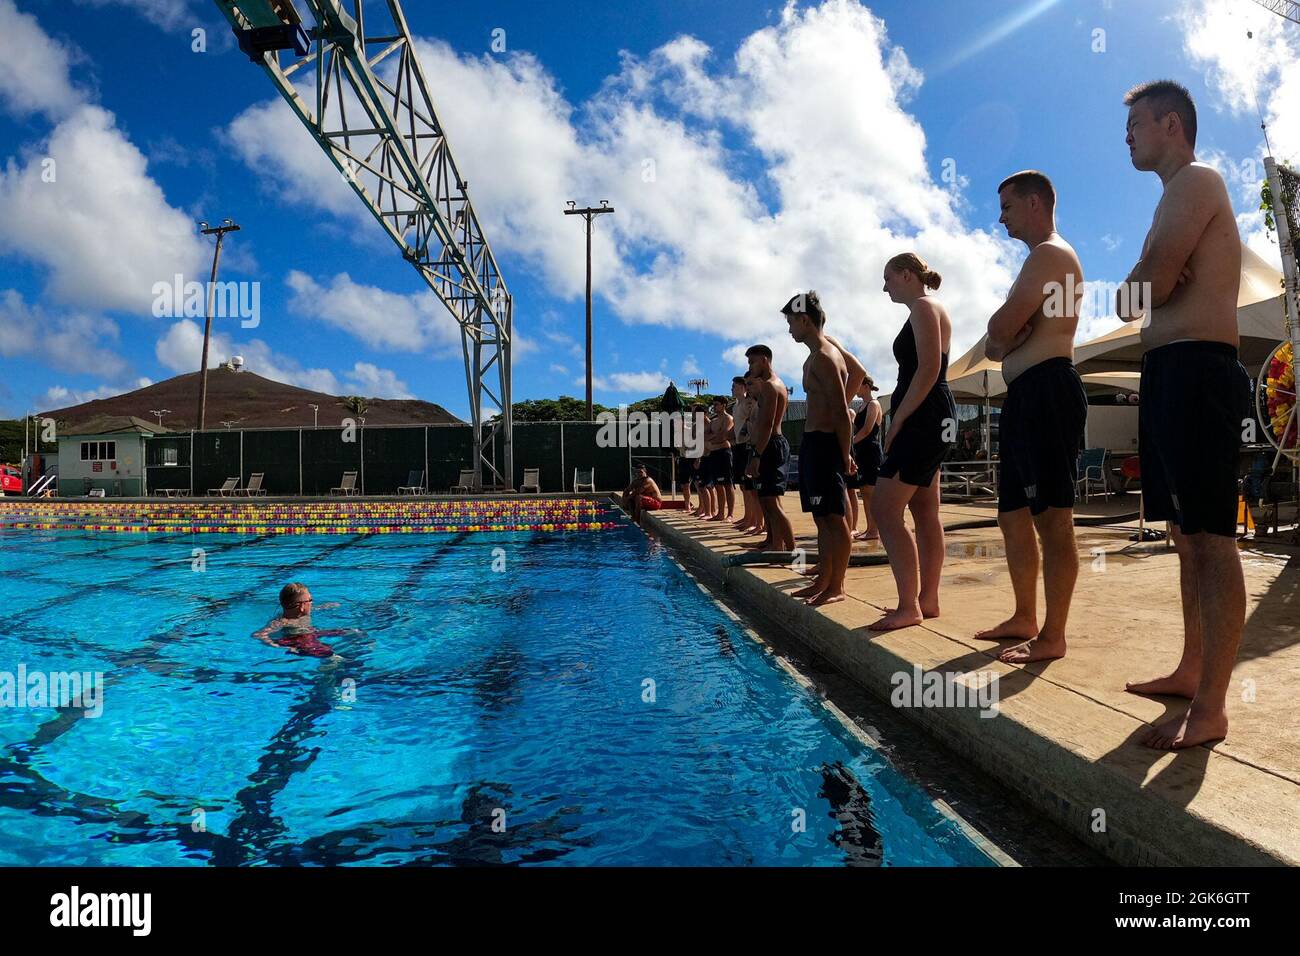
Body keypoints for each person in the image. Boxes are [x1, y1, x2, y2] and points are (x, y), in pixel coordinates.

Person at [1116, 80, 1250, 749]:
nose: (1127, 136)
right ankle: (1192, 670)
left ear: (1172, 123)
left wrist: (1154, 273)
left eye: (1136, 124)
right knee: (1183, 535)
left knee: (1212, 538)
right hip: (1166, 373)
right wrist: (1152, 271)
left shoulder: (1198, 181)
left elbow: (1153, 284)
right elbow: (1127, 301)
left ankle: (1214, 707)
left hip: (1199, 369)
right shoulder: (1168, 203)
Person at [974, 170, 1088, 665]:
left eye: (1007, 207)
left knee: (1052, 519)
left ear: (1035, 202)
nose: (1000, 218)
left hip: (1047, 390)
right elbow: (994, 342)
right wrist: (1005, 337)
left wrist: (1005, 335)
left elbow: (998, 330)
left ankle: (1053, 635)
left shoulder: (1050, 255)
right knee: (1012, 516)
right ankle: (1024, 615)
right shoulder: (1037, 261)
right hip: (1025, 396)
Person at [869, 253, 956, 631]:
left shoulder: (923, 306)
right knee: (924, 509)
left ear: (907, 275)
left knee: (885, 509)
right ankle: (927, 599)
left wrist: (897, 419)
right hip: (937, 415)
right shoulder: (927, 307)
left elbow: (929, 369)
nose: (884, 286)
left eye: (888, 278)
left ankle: (909, 606)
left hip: (924, 416)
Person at [784, 291, 856, 606]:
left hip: (826, 444)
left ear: (804, 320)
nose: (789, 330)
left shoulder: (826, 357)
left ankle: (837, 586)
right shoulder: (814, 356)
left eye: (791, 322)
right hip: (814, 444)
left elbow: (841, 410)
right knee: (821, 516)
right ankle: (823, 579)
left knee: (834, 518)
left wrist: (845, 453)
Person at [743, 344, 794, 552]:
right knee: (764, 499)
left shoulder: (772, 386)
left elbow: (768, 425)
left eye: (752, 362)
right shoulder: (767, 386)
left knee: (772, 501)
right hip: (766, 445)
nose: (750, 366)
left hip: (771, 446)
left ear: (764, 360)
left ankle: (791, 550)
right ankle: (773, 541)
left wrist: (756, 455)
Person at [254, 583, 343, 659]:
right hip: (300, 642)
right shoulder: (284, 621)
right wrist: (282, 647)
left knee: (348, 632)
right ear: (301, 607)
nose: (312, 603)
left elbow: (314, 608)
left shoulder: (300, 613)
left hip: (312, 633)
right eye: (310, 600)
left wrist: (325, 606)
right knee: (330, 656)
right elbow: (258, 635)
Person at [848, 375, 884, 541]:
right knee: (864, 491)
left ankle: (875, 530)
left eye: (857, 385)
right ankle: (870, 528)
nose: (855, 389)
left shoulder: (873, 404)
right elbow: (854, 429)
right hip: (861, 452)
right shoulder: (861, 406)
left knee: (871, 491)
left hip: (870, 451)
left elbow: (867, 430)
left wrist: (851, 443)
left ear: (866, 386)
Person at [730, 376, 764, 535]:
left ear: (743, 388)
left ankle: (758, 522)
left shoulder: (749, 403)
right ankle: (748, 518)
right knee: (744, 487)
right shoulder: (736, 406)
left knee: (752, 488)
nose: (732, 389)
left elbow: (752, 421)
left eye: (735, 386)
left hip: (748, 445)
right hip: (739, 446)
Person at [704, 395, 735, 521]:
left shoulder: (728, 418)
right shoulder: (714, 421)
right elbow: (704, 436)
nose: (714, 407)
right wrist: (715, 436)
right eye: (714, 404)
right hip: (714, 454)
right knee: (718, 485)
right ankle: (720, 513)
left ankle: (730, 514)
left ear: (724, 405)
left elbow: (724, 436)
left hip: (724, 453)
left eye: (717, 404)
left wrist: (714, 437)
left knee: (728, 484)